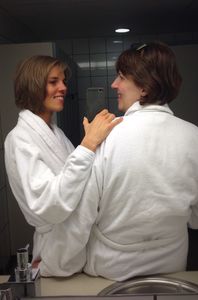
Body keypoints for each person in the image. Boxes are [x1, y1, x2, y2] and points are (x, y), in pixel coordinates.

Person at [71, 41, 198, 281]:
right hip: (171, 270)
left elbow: (83, 215)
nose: (114, 84)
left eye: (121, 77)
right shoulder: (195, 137)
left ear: (144, 87)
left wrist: (60, 264)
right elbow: (197, 218)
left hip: (110, 273)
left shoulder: (108, 136)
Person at [4, 55, 122, 276]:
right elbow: (48, 204)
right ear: (33, 86)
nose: (63, 88)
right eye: (53, 82)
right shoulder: (19, 139)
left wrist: (94, 148)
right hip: (57, 250)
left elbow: (78, 180)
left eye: (64, 81)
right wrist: (87, 146)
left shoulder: (56, 133)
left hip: (75, 245)